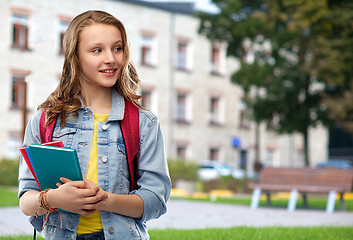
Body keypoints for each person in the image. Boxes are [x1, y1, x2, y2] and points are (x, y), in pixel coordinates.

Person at [18, 10, 171, 240]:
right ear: (75, 56)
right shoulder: (45, 120)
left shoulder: (143, 123)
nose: (111, 58)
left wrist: (106, 200)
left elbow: (156, 201)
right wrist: (54, 199)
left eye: (117, 48)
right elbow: (26, 201)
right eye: (97, 50)